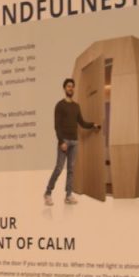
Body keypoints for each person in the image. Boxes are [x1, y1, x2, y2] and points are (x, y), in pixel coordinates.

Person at [45, 77, 99, 205]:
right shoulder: (60, 105)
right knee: (59, 168)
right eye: (69, 86)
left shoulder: (76, 106)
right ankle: (47, 193)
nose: (71, 88)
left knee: (71, 169)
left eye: (72, 86)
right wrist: (61, 141)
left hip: (74, 142)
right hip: (64, 141)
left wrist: (93, 125)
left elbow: (82, 122)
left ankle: (68, 195)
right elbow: (57, 126)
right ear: (64, 88)